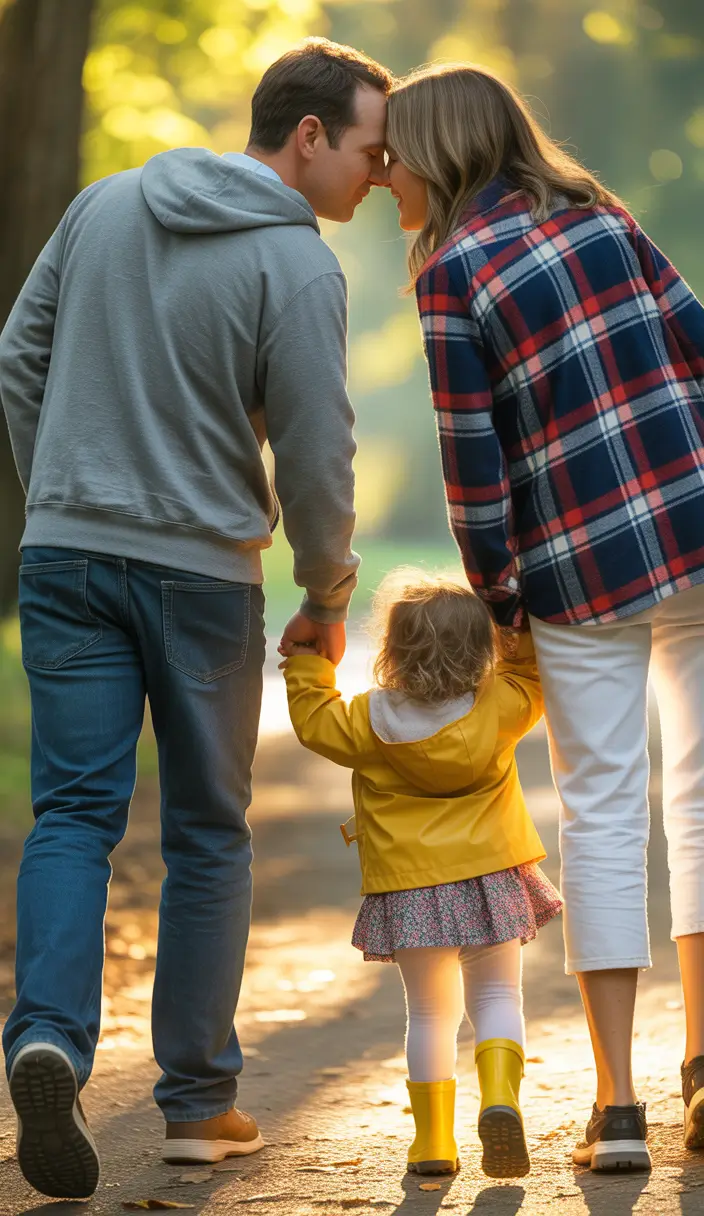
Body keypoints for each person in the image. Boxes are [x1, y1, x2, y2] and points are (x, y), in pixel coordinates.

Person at [0, 37, 392, 1200]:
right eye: (369, 152)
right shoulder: (298, 264)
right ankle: (195, 1103)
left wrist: (61, 492)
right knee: (208, 833)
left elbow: (18, 356)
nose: (379, 176)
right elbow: (317, 453)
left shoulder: (103, 205)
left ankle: (48, 1040)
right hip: (202, 578)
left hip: (65, 555)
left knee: (73, 811)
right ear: (309, 136)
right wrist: (327, 594)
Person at [383, 62, 704, 1173]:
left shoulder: (451, 275)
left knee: (603, 815)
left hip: (576, 569)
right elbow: (698, 339)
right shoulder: (603, 218)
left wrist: (499, 601)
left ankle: (617, 1110)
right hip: (695, 524)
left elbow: (472, 468)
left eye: (394, 158)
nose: (383, 178)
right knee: (701, 799)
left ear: (440, 151)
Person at [281, 570, 561, 1178]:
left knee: (430, 1014)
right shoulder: (501, 706)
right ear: (482, 648)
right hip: (490, 878)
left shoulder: (366, 721)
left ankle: (433, 1142)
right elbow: (534, 673)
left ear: (392, 649)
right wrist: (513, 627)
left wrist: (307, 663)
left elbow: (314, 721)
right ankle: (499, 1097)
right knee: (497, 996)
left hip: (410, 889)